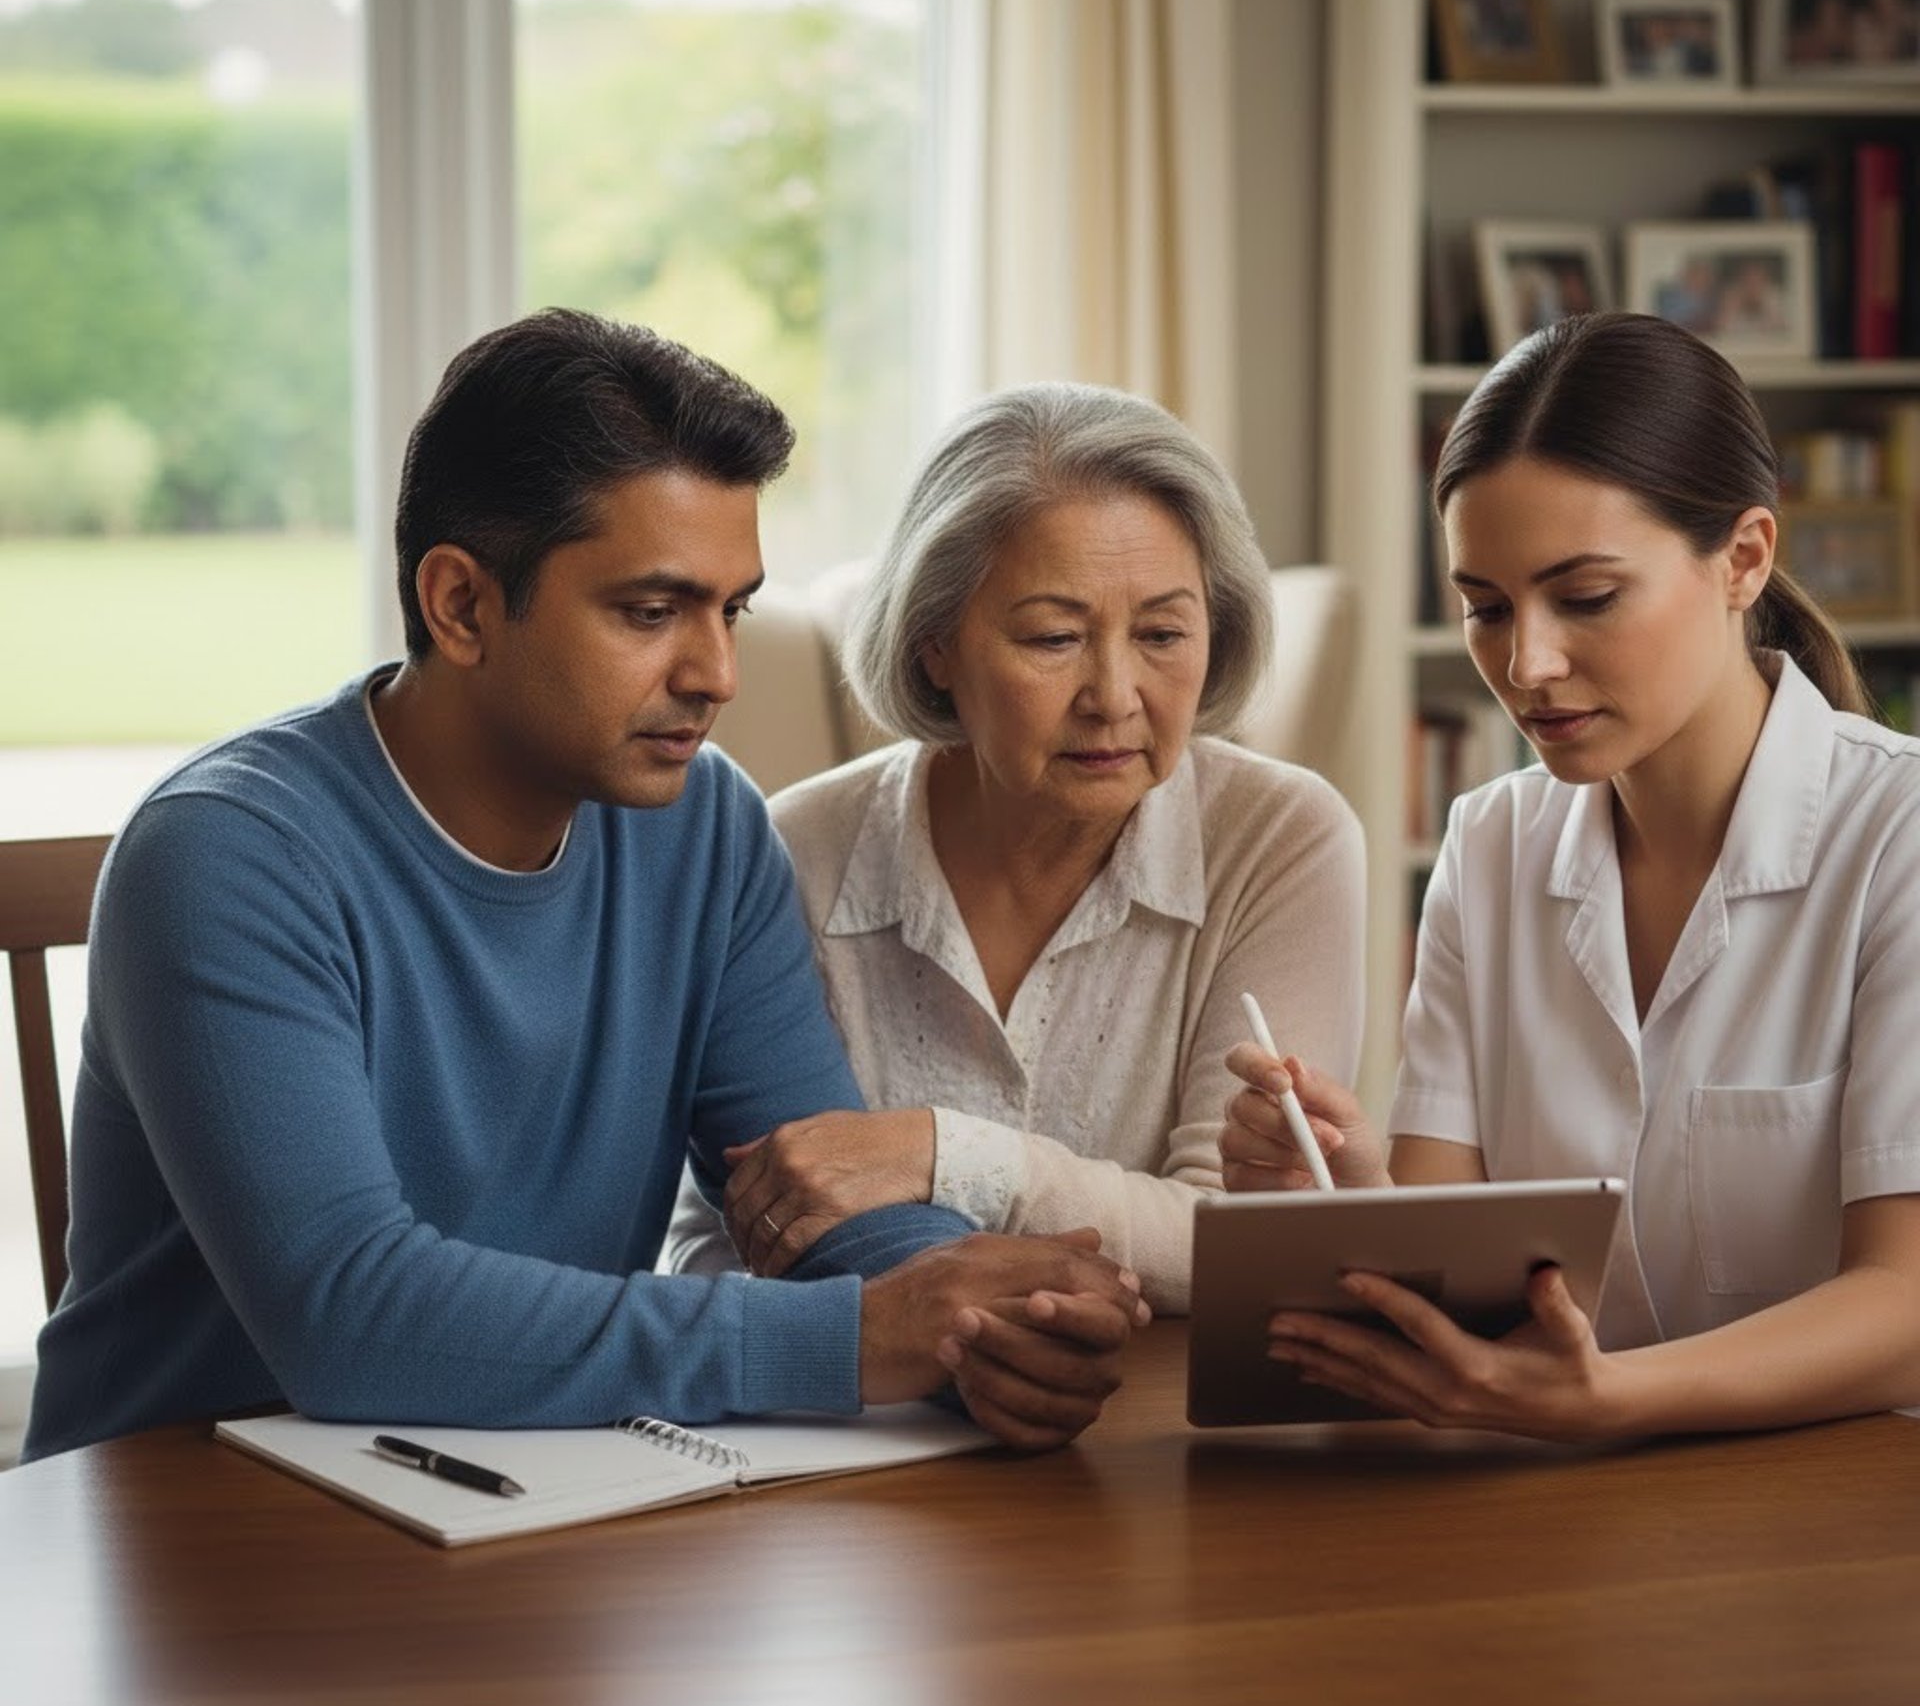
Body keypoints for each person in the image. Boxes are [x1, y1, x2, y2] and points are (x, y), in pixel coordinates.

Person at [23, 311, 1148, 1462]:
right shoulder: (225, 856)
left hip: (525, 1485)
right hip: (178, 1517)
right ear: (462, 605)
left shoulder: (707, 832)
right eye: (652, 612)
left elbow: (820, 1203)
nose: (716, 673)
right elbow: (347, 1315)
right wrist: (861, 1338)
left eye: (731, 609)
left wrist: (986, 1323)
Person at [1220, 310, 1920, 1441]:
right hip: (1564, 1498)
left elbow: (1906, 1303)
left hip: (1842, 1499)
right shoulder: (1490, 843)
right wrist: (1340, 1186)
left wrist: (1610, 1400)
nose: (1527, 663)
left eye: (1586, 597)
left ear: (1744, 559)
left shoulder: (1899, 836)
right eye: (1487, 609)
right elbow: (1461, 1266)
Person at [664, 382, 1365, 1312]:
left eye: (1163, 633)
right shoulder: (790, 853)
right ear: (935, 646)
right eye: (1053, 637)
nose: (1114, 696)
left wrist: (941, 1155)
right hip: (879, 1393)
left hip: (1172, 1390)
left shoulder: (1283, 838)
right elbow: (715, 1237)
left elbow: (1246, 1240)